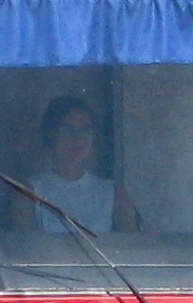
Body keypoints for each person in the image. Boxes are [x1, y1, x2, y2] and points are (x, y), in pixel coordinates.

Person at [15, 95, 139, 234]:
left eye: (85, 130)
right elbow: (27, 250)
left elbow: (132, 248)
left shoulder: (115, 194)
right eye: (68, 130)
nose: (78, 138)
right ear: (51, 134)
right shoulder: (29, 192)